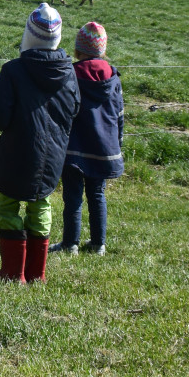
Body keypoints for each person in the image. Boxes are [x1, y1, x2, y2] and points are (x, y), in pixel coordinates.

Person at [0, 2, 79, 284]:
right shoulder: (70, 72)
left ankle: (13, 273)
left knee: (7, 206)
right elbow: (74, 110)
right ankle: (37, 274)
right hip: (53, 154)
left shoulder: (13, 70)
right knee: (42, 204)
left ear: (29, 34)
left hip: (17, 151)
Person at [51, 21, 124, 256]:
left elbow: (62, 111)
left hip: (73, 148)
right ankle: (98, 244)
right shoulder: (113, 78)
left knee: (72, 196)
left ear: (77, 49)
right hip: (103, 147)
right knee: (97, 194)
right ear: (102, 50)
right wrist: (117, 143)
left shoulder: (70, 74)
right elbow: (119, 115)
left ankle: (70, 244)